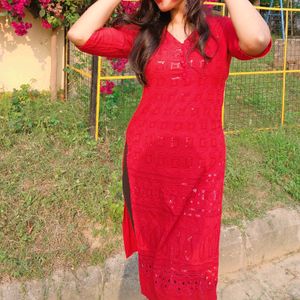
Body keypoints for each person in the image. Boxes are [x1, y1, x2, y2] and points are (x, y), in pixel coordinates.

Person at [67, 0, 272, 299]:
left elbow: (258, 40)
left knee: (195, 268)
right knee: (157, 259)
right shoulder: (144, 33)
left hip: (201, 170)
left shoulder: (220, 30)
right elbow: (80, 35)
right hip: (147, 166)